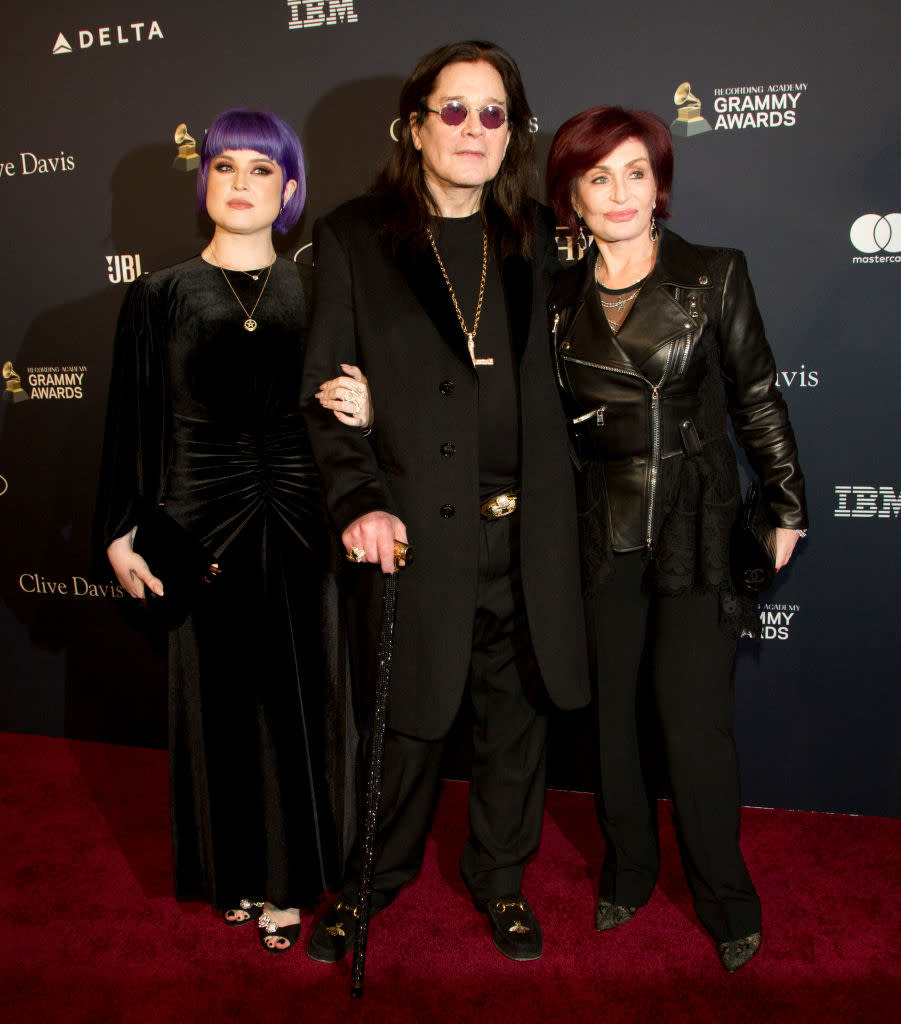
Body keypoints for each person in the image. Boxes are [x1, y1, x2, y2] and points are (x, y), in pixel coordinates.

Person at [301, 40, 589, 963]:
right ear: (414, 125)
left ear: (515, 132)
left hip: (530, 530)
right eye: (453, 109)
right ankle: (368, 883)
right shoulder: (354, 236)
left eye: (494, 112)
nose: (473, 128)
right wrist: (358, 500)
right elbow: (325, 393)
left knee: (516, 723)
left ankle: (499, 877)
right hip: (415, 530)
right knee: (403, 719)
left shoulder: (542, 237)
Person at [545, 106, 807, 972]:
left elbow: (757, 396)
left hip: (694, 520)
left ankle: (725, 896)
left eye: (634, 172)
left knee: (692, 725)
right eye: (597, 177)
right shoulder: (550, 298)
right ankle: (625, 868)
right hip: (600, 527)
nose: (619, 194)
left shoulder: (712, 274)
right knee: (613, 724)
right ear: (571, 198)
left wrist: (785, 507)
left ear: (659, 183)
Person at [98, 109, 362, 954]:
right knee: (218, 706)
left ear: (289, 190)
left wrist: (370, 408)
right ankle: (235, 873)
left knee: (299, 700)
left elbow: (360, 399)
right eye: (224, 167)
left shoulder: (319, 288)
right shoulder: (160, 294)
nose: (240, 183)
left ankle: (290, 883)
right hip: (197, 521)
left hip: (300, 518)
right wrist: (118, 533)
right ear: (204, 181)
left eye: (260, 169)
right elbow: (129, 423)